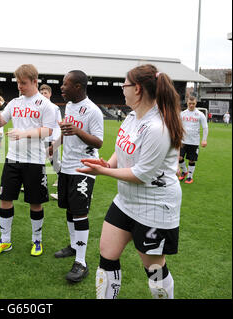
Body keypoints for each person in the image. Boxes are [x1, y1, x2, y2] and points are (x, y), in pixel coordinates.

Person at [79, 64, 184, 299]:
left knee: (154, 270)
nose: (121, 90)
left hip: (155, 207)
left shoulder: (158, 127)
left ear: (137, 89)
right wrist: (108, 164)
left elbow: (141, 174)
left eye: (124, 85)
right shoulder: (132, 116)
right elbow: (121, 150)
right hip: (126, 200)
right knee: (107, 252)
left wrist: (102, 173)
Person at [0, 64, 56, 257]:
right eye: (18, 82)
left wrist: (23, 133)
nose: (19, 86)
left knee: (35, 203)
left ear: (34, 81)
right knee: (5, 200)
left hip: (34, 161)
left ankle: (37, 240)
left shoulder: (46, 105)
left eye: (23, 83)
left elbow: (48, 131)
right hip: (13, 159)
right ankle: (5, 240)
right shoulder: (15, 102)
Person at [49, 70, 104, 283]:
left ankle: (81, 262)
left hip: (84, 168)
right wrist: (54, 146)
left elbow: (98, 142)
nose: (61, 87)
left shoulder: (93, 111)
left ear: (78, 86)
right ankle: (73, 246)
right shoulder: (69, 106)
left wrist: (78, 131)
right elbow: (66, 131)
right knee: (70, 210)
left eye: (65, 84)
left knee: (80, 213)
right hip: (67, 167)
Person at [39, 84, 62, 200]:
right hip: (39, 141)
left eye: (45, 93)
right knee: (37, 163)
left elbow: (58, 126)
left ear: (50, 94)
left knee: (55, 163)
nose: (43, 95)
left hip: (51, 141)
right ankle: (35, 185)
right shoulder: (36, 107)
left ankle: (63, 183)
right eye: (41, 93)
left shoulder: (55, 108)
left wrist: (55, 140)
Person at [178, 95, 208, 184]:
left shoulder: (200, 114)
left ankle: (190, 177)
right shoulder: (182, 114)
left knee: (192, 160)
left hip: (194, 142)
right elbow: (178, 126)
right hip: (183, 141)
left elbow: (205, 127)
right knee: (179, 158)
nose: (191, 105)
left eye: (193, 103)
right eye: (190, 103)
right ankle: (184, 171)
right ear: (187, 103)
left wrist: (204, 139)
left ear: (196, 103)